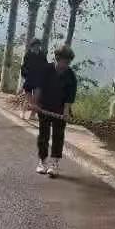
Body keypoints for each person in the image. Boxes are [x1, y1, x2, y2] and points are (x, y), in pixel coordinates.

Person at [35, 44, 77, 178]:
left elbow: (70, 97)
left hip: (60, 110)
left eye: (69, 62)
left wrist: (66, 112)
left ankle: (55, 163)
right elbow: (38, 88)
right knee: (43, 135)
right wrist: (36, 105)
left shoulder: (71, 75)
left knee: (58, 136)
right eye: (65, 62)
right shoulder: (46, 70)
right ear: (57, 58)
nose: (66, 65)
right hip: (44, 107)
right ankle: (42, 161)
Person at [20, 38, 48, 120]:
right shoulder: (28, 55)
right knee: (28, 99)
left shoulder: (42, 55)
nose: (37, 47)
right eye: (35, 45)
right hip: (29, 79)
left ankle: (32, 115)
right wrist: (25, 76)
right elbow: (24, 67)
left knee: (37, 99)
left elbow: (46, 66)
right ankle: (23, 112)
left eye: (38, 45)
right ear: (32, 46)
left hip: (38, 80)